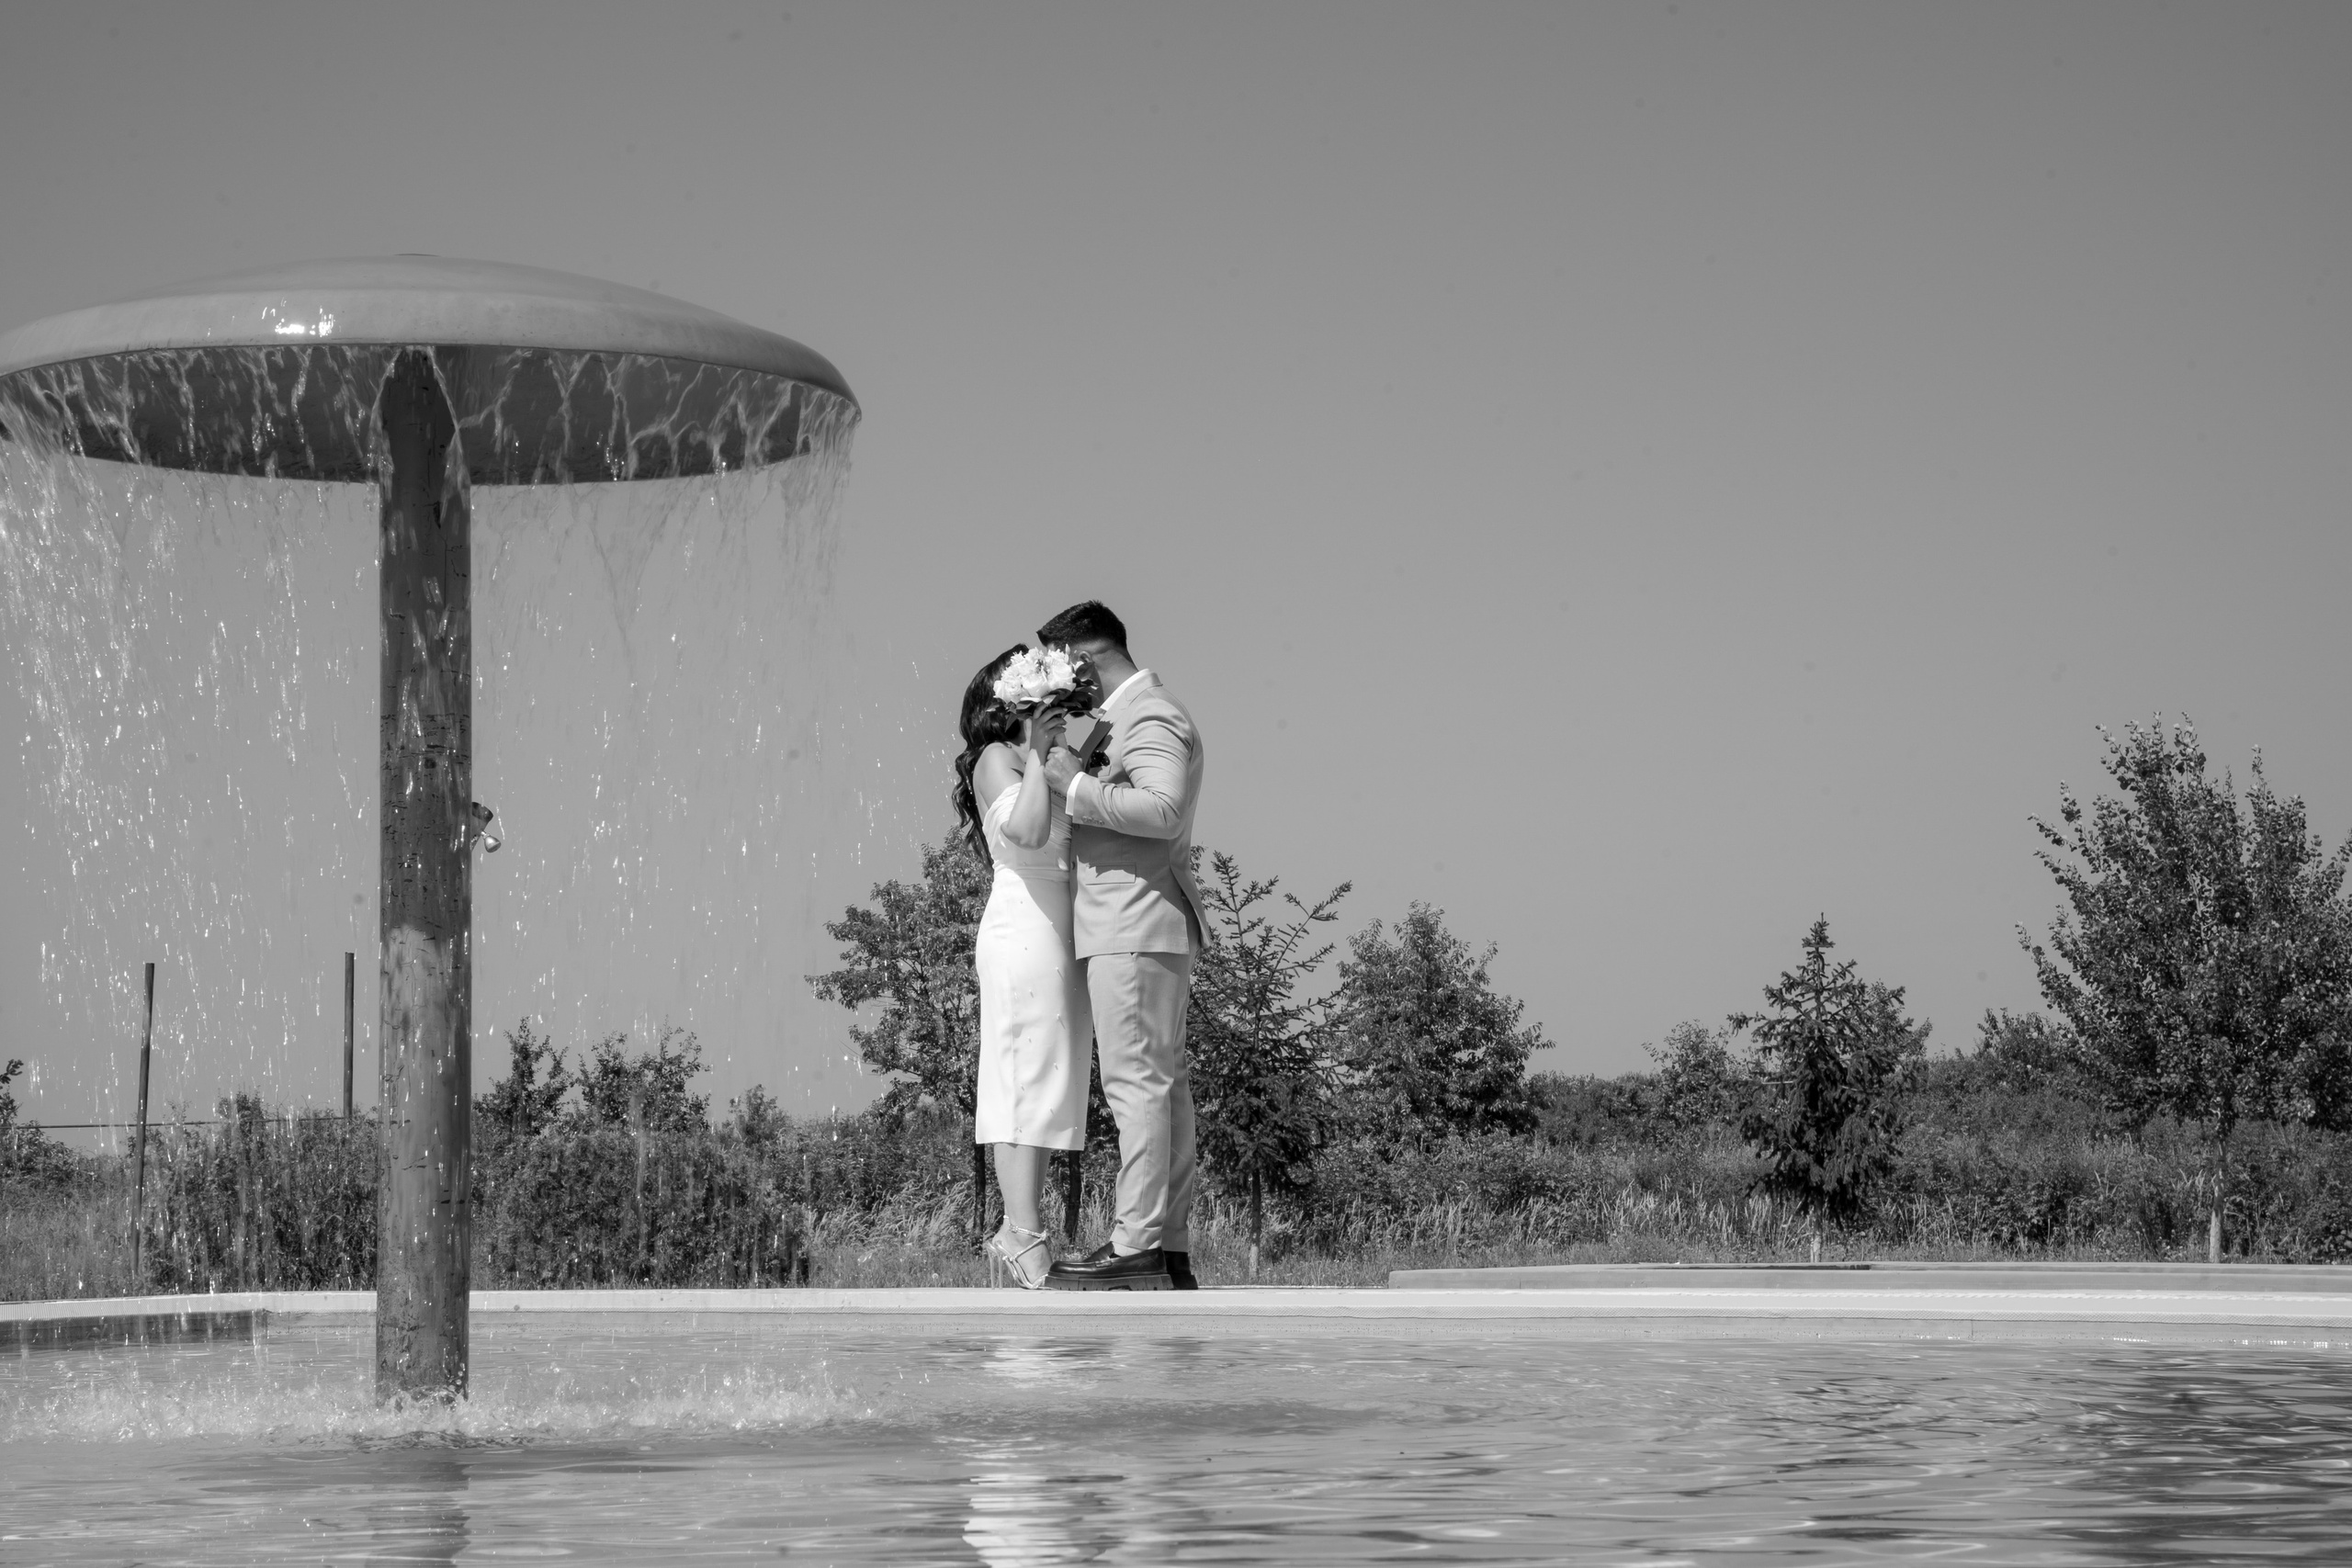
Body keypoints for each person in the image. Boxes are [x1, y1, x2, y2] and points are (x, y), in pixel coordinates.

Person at [1035, 602, 1206, 1292]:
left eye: (1058, 664)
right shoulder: (1122, 718)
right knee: (1162, 1087)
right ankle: (1166, 1246)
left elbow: (1162, 810)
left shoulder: (1152, 713)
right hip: (1134, 921)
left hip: (1133, 922)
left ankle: (1135, 1243)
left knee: (1137, 1085)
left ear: (1082, 658)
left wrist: (1073, 785)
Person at [954, 645, 1093, 1288]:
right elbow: (1032, 832)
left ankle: (1022, 1230)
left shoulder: (1046, 759)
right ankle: (1020, 1231)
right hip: (1021, 927)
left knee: (1047, 1079)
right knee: (1018, 1076)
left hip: (1059, 926)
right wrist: (1039, 753)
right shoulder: (996, 759)